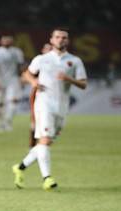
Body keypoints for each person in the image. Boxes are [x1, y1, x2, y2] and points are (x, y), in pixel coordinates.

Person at [12, 28, 87, 191]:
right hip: (44, 104)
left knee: (46, 143)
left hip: (62, 107)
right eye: (57, 37)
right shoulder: (41, 59)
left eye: (64, 38)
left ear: (68, 41)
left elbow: (83, 84)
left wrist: (69, 79)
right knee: (44, 139)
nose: (61, 40)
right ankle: (47, 178)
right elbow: (27, 73)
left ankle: (20, 167)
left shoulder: (75, 61)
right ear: (52, 40)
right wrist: (33, 82)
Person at [0, 35, 25, 132]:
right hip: (0, 79)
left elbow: (21, 67)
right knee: (0, 103)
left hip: (13, 79)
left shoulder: (17, 52)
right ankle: (0, 123)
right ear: (1, 42)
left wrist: (22, 79)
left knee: (14, 101)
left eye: (9, 40)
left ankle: (8, 121)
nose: (6, 42)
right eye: (4, 40)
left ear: (12, 41)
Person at [28, 43, 52, 147]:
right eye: (47, 49)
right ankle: (32, 144)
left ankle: (41, 146)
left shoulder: (61, 62)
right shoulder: (39, 60)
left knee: (50, 124)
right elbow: (26, 74)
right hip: (39, 94)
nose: (49, 51)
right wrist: (34, 81)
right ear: (43, 50)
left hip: (55, 95)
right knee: (35, 122)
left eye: (51, 49)